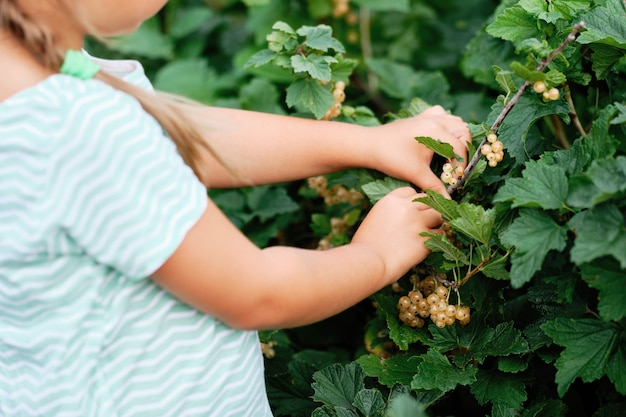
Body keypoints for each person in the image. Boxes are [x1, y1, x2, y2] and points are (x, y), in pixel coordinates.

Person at [0, 0, 470, 415]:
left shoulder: (41, 75)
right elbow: (257, 293)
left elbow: (171, 135)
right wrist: (378, 254)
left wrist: (364, 143)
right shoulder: (79, 125)